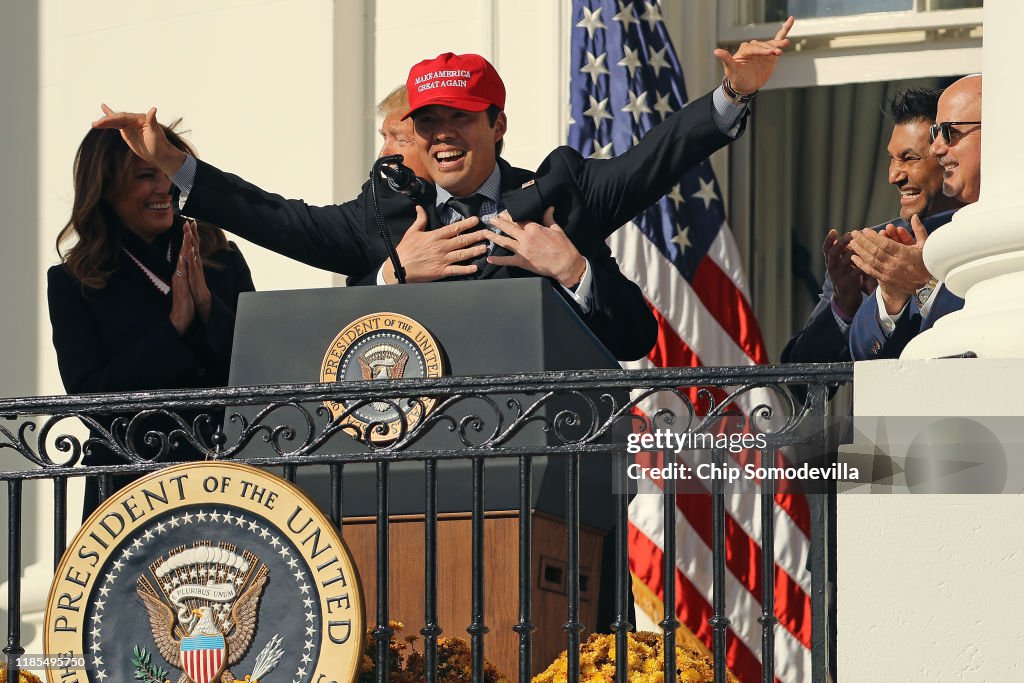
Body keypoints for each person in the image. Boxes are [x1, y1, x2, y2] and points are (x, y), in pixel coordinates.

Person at [92, 17, 793, 361]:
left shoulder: (560, 194)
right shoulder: (387, 217)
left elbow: (652, 167)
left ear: (497, 123)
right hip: (422, 479)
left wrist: (573, 268)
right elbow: (273, 218)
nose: (442, 135)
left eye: (459, 117)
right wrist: (393, 274)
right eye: (427, 123)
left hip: (549, 476)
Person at [47, 124, 255, 516]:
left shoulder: (223, 259)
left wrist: (208, 308)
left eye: (171, 176)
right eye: (146, 176)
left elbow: (259, 372)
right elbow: (90, 397)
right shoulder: (73, 282)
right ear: (106, 186)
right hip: (130, 492)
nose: (165, 189)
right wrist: (174, 328)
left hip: (224, 480)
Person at [782, 87, 963, 364]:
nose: (894, 175)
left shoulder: (982, 236)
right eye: (892, 158)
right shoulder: (869, 250)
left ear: (946, 157)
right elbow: (799, 379)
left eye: (910, 158)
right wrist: (845, 306)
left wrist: (923, 283)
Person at [848, 75, 981, 360]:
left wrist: (925, 284)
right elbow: (864, 355)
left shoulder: (1007, 224)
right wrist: (891, 296)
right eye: (935, 135)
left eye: (949, 132)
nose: (938, 148)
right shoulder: (896, 244)